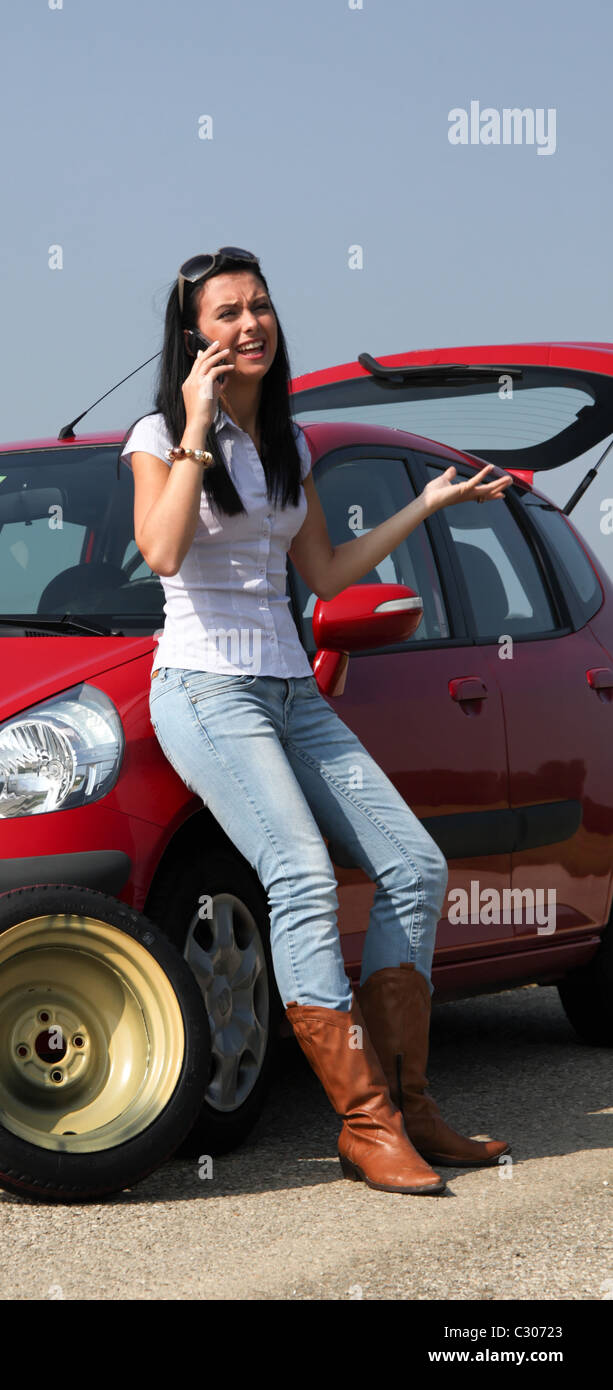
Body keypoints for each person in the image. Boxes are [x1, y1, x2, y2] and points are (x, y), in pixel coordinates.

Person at [119, 246, 513, 1196]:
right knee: (297, 873)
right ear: (191, 338)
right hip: (208, 692)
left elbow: (327, 576)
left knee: (413, 865)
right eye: (225, 314)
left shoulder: (289, 446)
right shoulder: (155, 433)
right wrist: (198, 426)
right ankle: (363, 1123)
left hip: (295, 691)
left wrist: (422, 505)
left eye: (259, 307)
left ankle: (410, 1106)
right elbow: (164, 551)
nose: (248, 324)